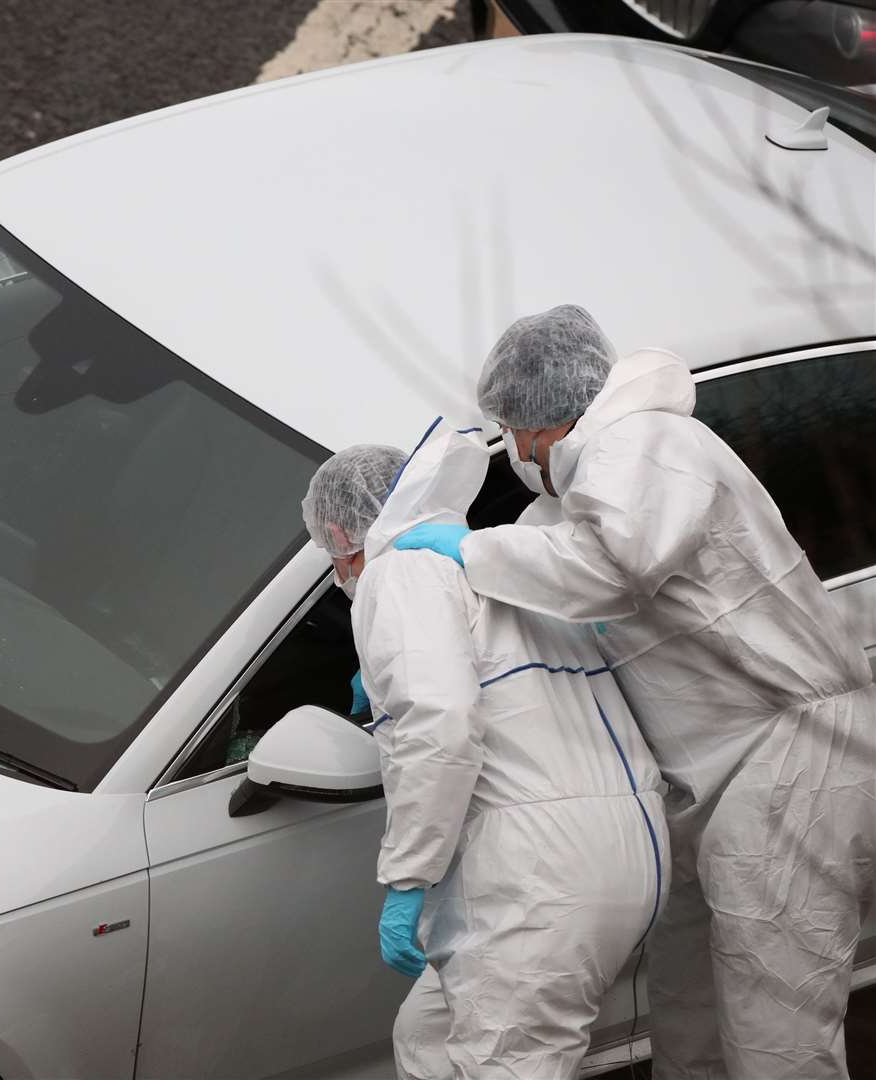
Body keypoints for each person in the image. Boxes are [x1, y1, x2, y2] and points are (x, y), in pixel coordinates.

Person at [397, 304, 876, 1080]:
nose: (514, 452)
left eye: (513, 433)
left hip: (791, 761)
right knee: (690, 1014)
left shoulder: (647, 442)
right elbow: (553, 588)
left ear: (547, 418)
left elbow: (609, 570)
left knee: (776, 1025)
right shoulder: (580, 491)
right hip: (707, 779)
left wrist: (472, 551)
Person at [302, 423, 667, 1080]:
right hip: (629, 849)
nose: (337, 578)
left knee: (508, 1064)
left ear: (339, 538)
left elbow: (439, 725)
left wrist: (408, 878)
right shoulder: (496, 557)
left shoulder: (398, 572)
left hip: (537, 880)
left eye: (330, 559)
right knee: (427, 1036)